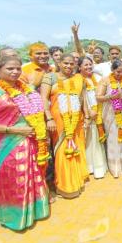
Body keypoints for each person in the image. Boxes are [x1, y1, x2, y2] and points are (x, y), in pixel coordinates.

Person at [0, 55, 49, 231]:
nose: (15, 72)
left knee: (33, 174)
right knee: (15, 179)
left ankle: (34, 211)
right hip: (7, 143)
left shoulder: (26, 89)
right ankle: (15, 217)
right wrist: (14, 130)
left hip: (31, 139)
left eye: (18, 68)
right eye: (10, 68)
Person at [41, 54, 89, 198]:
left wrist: (86, 116)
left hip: (76, 120)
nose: (68, 66)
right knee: (62, 150)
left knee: (77, 147)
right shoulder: (50, 77)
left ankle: (77, 180)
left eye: (71, 64)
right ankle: (66, 185)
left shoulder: (78, 78)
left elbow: (82, 98)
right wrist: (49, 118)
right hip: (58, 120)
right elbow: (43, 98)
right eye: (65, 63)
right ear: (59, 63)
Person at [96, 60, 122, 178]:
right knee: (114, 138)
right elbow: (98, 97)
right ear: (112, 70)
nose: (120, 74)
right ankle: (116, 167)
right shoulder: (105, 80)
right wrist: (112, 96)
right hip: (111, 113)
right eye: (117, 71)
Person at [78, 56, 108, 179]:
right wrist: (88, 112)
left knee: (97, 139)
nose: (89, 67)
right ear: (79, 67)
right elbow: (80, 97)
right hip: (86, 115)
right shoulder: (78, 79)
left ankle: (99, 167)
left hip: (98, 113)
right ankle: (89, 167)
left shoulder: (96, 78)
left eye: (90, 64)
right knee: (88, 141)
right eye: (85, 65)